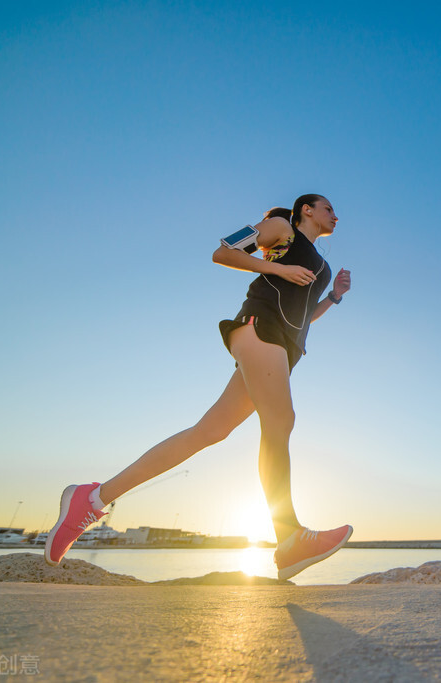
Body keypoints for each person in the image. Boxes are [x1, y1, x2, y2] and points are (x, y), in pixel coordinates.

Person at [44, 194, 353, 581]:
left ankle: (91, 499)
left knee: (208, 432)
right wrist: (276, 270)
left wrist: (335, 298)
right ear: (307, 209)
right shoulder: (282, 229)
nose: (335, 215)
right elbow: (223, 252)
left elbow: (304, 315)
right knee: (280, 422)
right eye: (328, 208)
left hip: (282, 348)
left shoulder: (318, 261)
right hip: (260, 330)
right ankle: (289, 539)